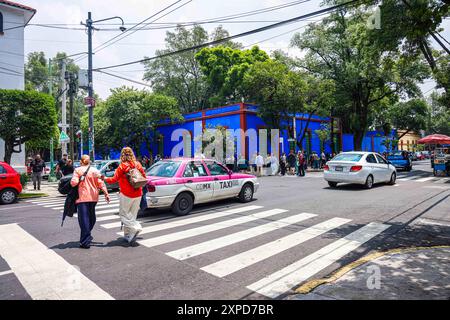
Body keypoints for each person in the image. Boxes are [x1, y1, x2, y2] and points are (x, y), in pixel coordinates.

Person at [103, 147, 146, 244]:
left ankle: (136, 227)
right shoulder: (138, 164)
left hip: (126, 194)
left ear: (122, 155)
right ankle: (128, 236)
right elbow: (144, 177)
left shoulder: (122, 166)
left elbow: (114, 179)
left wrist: (104, 178)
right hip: (138, 193)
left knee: (123, 215)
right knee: (132, 215)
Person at [71, 155, 110, 249]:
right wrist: (106, 193)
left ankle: (85, 241)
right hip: (93, 197)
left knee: (84, 219)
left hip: (82, 198)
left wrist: (78, 179)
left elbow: (73, 183)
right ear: (89, 162)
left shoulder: (77, 170)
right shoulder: (95, 170)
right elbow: (101, 183)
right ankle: (87, 235)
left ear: (81, 161)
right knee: (91, 217)